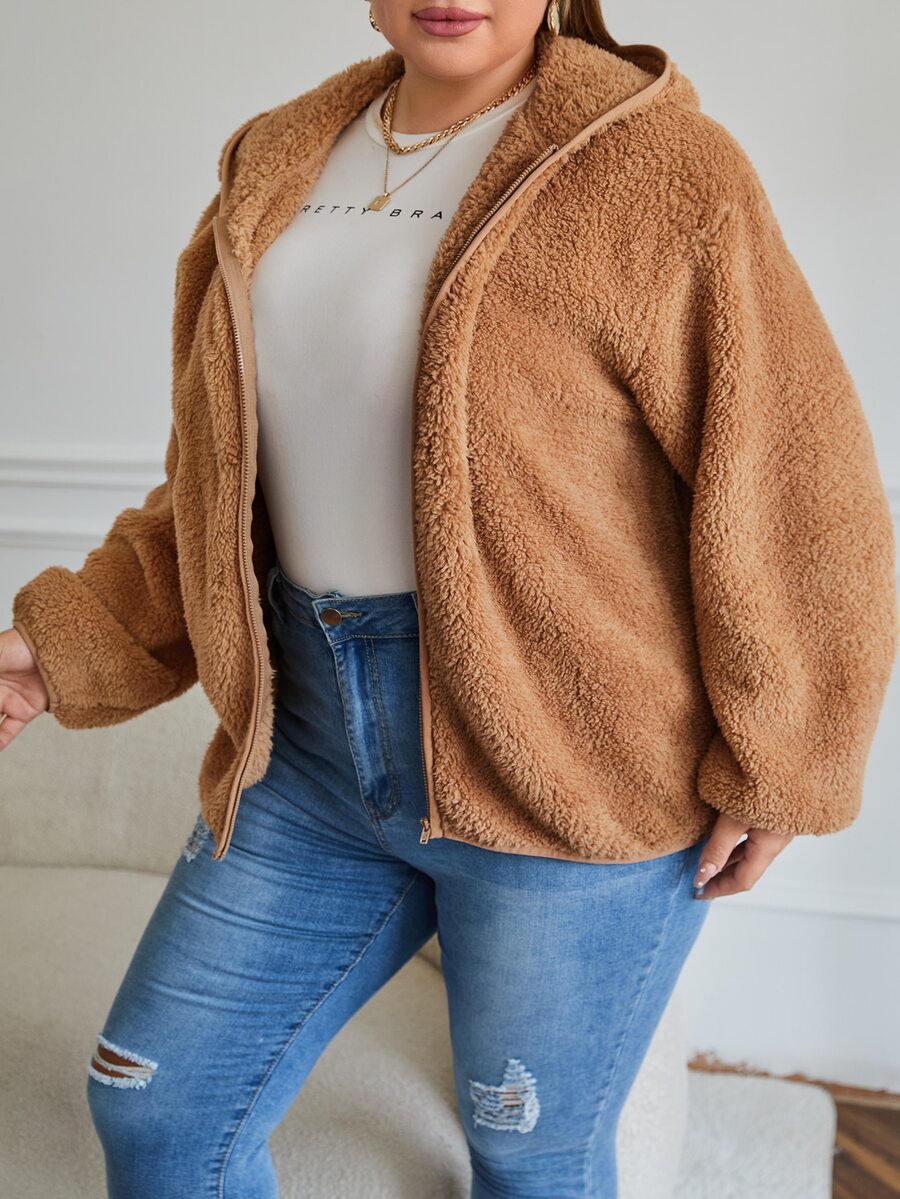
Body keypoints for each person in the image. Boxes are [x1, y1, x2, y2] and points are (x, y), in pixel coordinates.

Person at [1, 2, 896, 1195]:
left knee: (530, 1156)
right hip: (306, 755)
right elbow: (219, 487)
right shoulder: (275, 160)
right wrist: (62, 644)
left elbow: (792, 477)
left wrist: (786, 757)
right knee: (157, 1105)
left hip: (568, 768)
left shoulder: (663, 168)